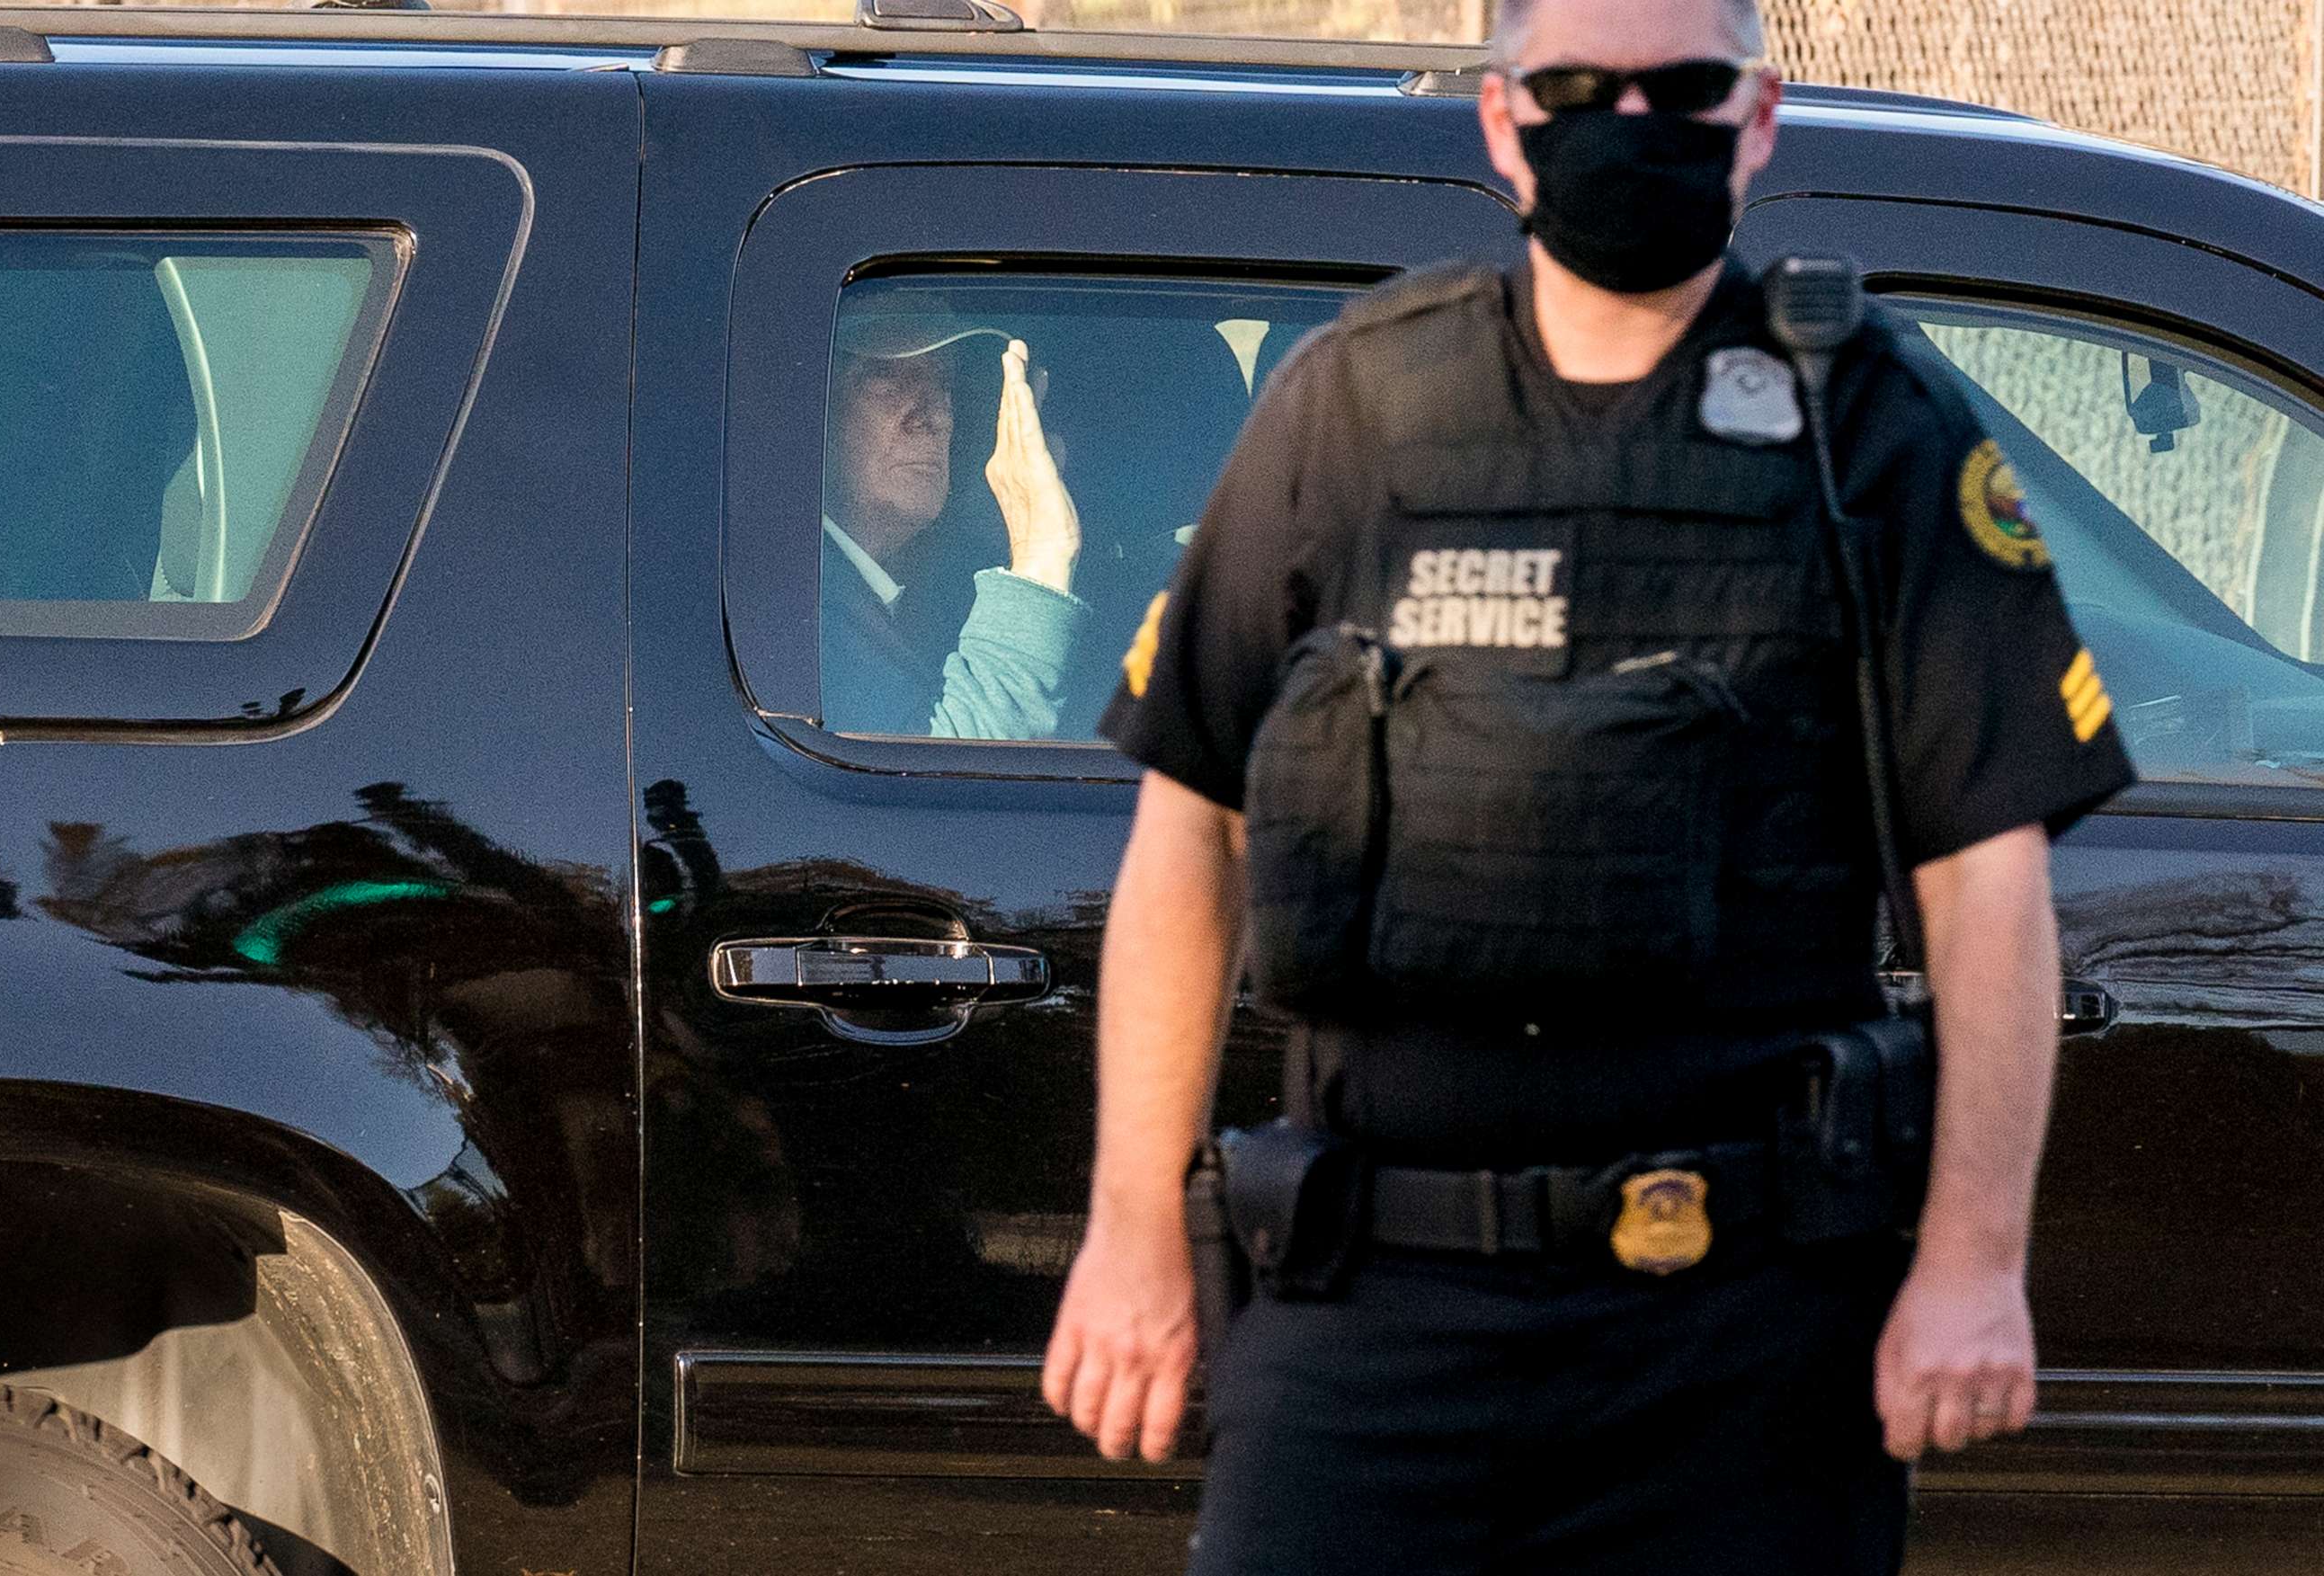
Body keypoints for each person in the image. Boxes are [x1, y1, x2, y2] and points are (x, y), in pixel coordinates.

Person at [1039, 0, 2138, 1571]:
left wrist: (1972, 1257)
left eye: (1682, 89)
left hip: (1740, 1334)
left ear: (1756, 120)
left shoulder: (1867, 425)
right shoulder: (1349, 410)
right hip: (1373, 1313)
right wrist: (1133, 1231)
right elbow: (1186, 837)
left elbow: (1987, 878)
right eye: (1573, 87)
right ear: (1500, 125)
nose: (1630, 121)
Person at [819, 296, 1091, 740]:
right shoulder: (796, 611)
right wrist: (1039, 554)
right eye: (887, 377)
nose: (934, 416)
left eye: (942, 382)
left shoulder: (923, 590)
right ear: (818, 409)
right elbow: (929, 783)